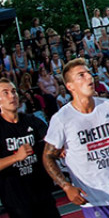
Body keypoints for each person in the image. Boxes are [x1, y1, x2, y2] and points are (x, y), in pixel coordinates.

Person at [42, 58, 109, 217]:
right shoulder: (62, 119)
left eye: (88, 73)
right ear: (70, 86)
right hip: (95, 199)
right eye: (81, 75)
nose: (89, 77)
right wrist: (66, 186)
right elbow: (47, 156)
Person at [0, 78, 60, 218]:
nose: (12, 96)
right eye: (6, 92)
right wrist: (15, 157)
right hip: (16, 200)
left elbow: (52, 142)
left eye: (14, 91)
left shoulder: (32, 120)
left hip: (42, 192)